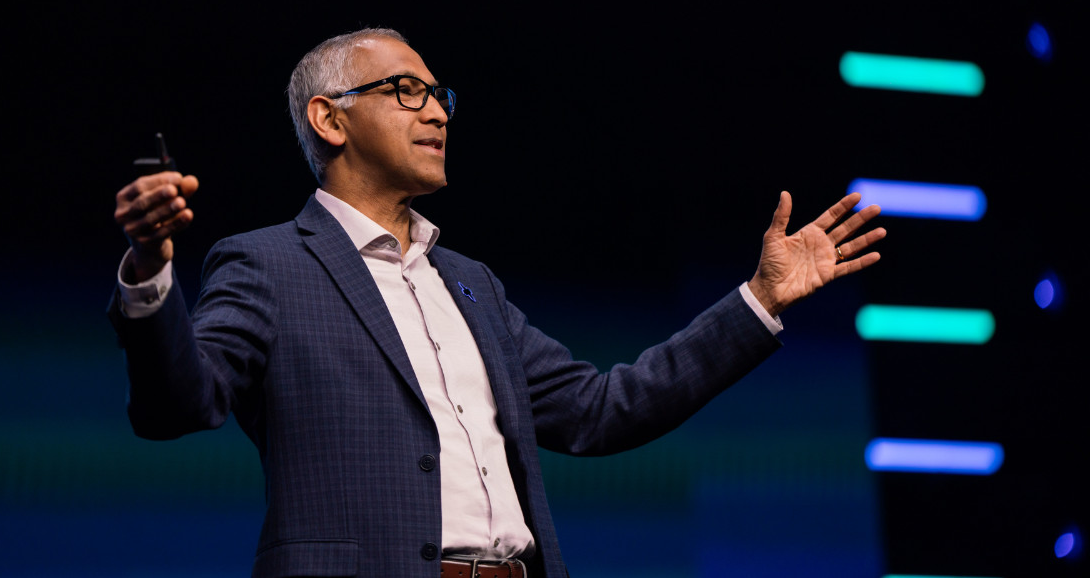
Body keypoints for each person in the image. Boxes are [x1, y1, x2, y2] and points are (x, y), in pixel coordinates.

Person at [109, 28, 885, 578]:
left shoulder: (471, 282)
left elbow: (599, 409)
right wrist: (150, 266)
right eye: (405, 91)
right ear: (329, 118)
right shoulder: (268, 263)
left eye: (439, 96)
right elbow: (182, 403)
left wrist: (757, 301)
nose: (439, 113)